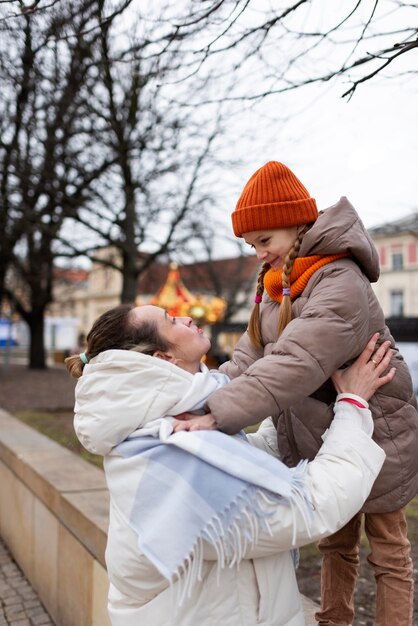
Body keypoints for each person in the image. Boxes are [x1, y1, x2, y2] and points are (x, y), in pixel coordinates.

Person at [176, 161, 418, 626]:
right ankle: (333, 620)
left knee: (388, 551)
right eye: (252, 245)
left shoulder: (338, 280)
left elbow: (295, 361)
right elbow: (250, 358)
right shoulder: (278, 286)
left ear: (297, 223)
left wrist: (219, 414)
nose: (259, 254)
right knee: (336, 542)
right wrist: (197, 399)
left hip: (380, 428)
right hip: (329, 429)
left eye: (264, 241)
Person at [66, 303, 391, 626]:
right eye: (171, 320)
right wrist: (352, 405)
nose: (186, 316)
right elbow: (305, 511)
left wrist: (292, 400)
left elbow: (248, 461)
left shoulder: (163, 426)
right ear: (163, 359)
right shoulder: (172, 450)